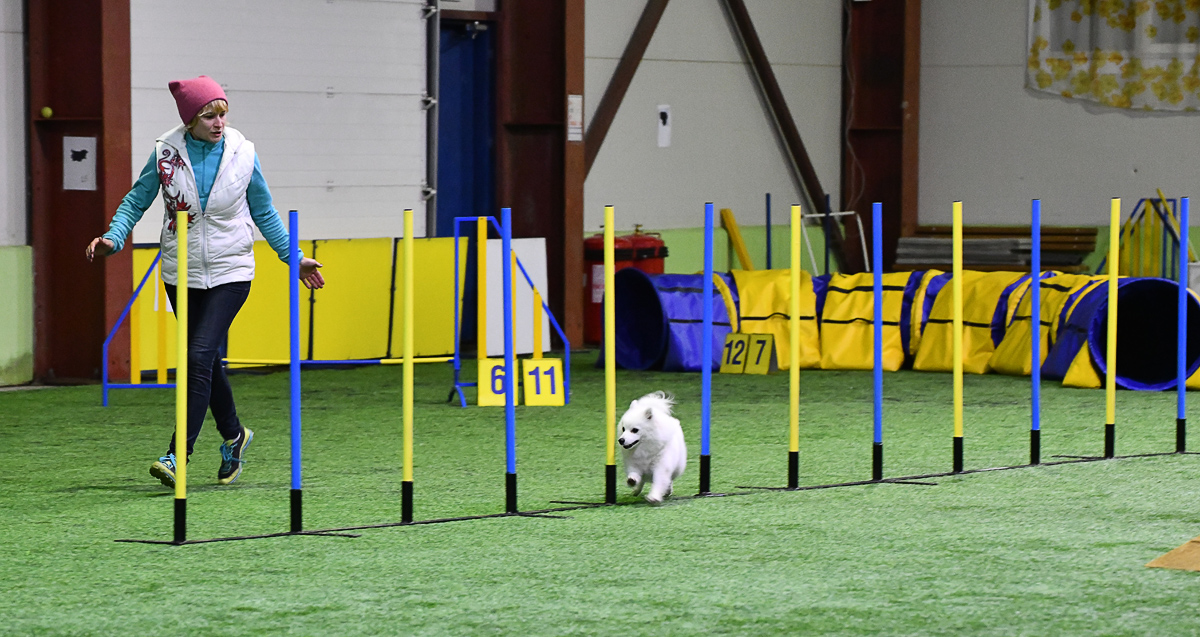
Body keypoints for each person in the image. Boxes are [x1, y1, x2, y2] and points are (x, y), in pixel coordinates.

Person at [86, 75, 325, 488]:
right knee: (206, 360)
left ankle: (177, 455)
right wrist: (114, 237)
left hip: (232, 271)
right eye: (209, 116)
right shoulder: (165, 153)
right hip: (181, 273)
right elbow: (137, 199)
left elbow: (264, 211)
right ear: (190, 120)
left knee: (197, 356)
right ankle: (235, 435)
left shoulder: (243, 153)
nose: (219, 123)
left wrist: (294, 259)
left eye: (222, 114)